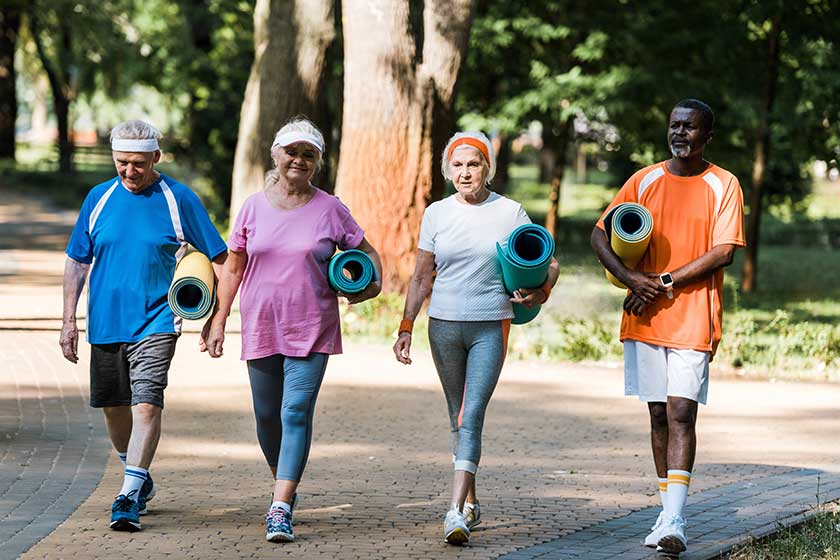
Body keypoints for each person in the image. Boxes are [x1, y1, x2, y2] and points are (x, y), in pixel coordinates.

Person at [204, 116, 382, 543]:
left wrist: (370, 285)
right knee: (267, 417)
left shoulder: (331, 208)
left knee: (294, 412)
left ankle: (280, 505)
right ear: (276, 155)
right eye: (292, 152)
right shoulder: (252, 207)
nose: (298, 160)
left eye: (308, 154)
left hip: (312, 325)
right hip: (261, 324)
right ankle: (283, 480)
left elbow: (367, 253)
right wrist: (219, 317)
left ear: (317, 162)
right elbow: (234, 265)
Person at [590, 99, 745, 555]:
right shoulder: (644, 179)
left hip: (694, 315)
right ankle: (665, 513)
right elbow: (600, 234)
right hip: (645, 315)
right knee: (657, 413)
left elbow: (724, 251)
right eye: (675, 125)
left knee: (682, 411)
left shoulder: (724, 184)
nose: (680, 133)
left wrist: (661, 280)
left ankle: (676, 518)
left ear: (707, 136)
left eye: (690, 127)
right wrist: (630, 277)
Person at [392, 131, 560, 545]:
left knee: (471, 414)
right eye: (458, 165)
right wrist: (406, 326)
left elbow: (549, 261)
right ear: (449, 171)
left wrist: (541, 292)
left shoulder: (510, 211)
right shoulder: (436, 214)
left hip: (491, 324)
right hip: (443, 326)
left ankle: (453, 512)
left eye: (474, 164)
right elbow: (420, 277)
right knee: (456, 414)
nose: (466, 172)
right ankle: (469, 500)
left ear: (488, 168)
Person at [60, 120, 228, 531]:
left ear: (156, 157)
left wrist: (214, 317)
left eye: (138, 163)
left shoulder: (178, 198)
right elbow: (78, 261)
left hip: (157, 319)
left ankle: (128, 495)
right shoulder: (98, 198)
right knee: (114, 409)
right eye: (121, 163)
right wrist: (68, 321)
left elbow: (221, 257)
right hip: (105, 322)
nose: (130, 172)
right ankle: (138, 472)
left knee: (147, 403)